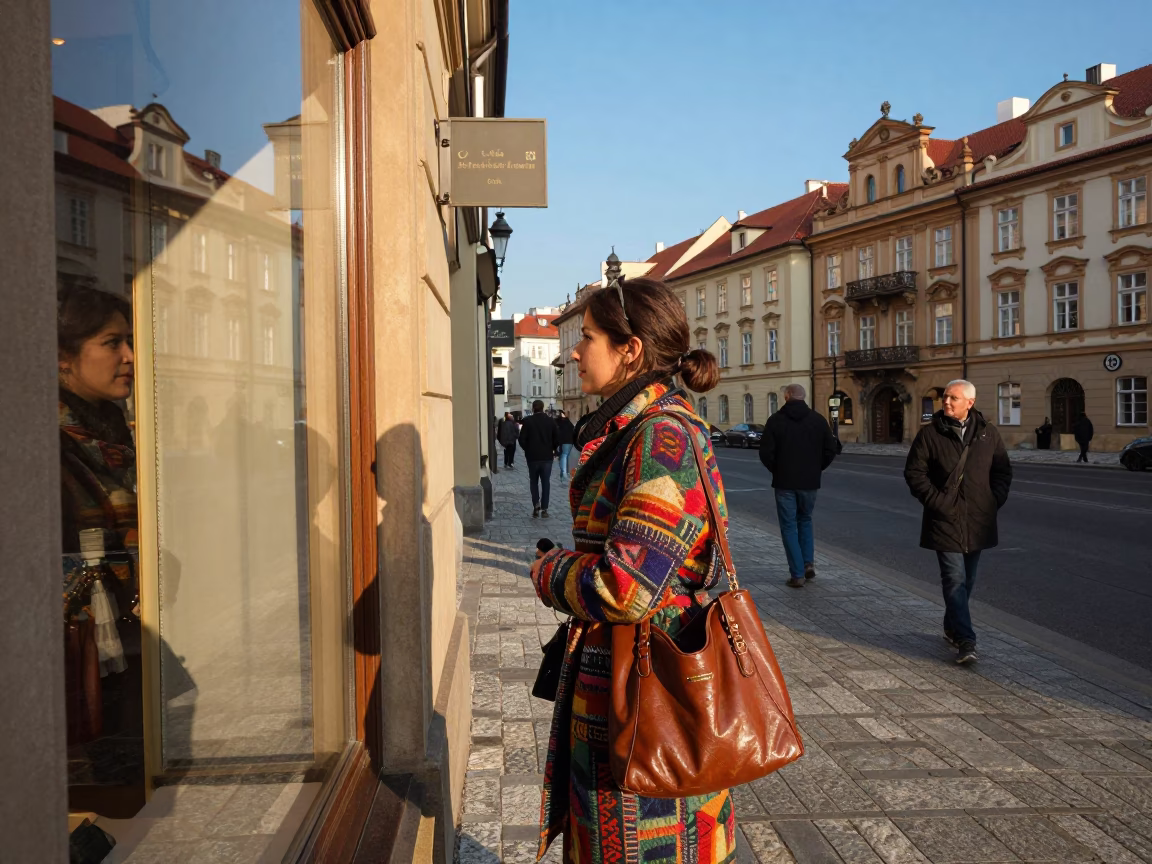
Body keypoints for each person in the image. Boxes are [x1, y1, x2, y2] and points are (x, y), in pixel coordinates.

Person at [530, 276, 736, 863]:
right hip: (623, 686)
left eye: (587, 337)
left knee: (647, 846)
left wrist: (549, 572)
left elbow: (626, 589)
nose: (573, 349)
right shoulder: (632, 428)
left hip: (649, 697)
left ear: (631, 350)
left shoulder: (661, 438)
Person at [57, 283, 145, 805]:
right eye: (112, 342)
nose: (130, 356)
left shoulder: (121, 431)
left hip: (126, 639)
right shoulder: (38, 433)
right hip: (80, 647)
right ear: (63, 357)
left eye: (130, 341)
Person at [904, 380, 1012, 665]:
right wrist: (938, 503)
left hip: (978, 519)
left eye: (953, 398)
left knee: (968, 580)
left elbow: (1003, 471)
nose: (947, 402)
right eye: (945, 397)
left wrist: (993, 501)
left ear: (970, 403)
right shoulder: (930, 435)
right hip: (945, 519)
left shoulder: (988, 433)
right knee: (954, 579)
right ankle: (966, 640)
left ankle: (952, 627)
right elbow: (915, 473)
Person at [758, 383, 838, 587]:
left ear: (786, 397)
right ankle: (808, 563)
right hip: (810, 483)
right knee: (805, 520)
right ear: (804, 397)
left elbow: (765, 453)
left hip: (785, 482)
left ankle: (797, 574)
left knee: (788, 526)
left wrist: (777, 469)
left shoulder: (775, 421)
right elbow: (830, 450)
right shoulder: (818, 420)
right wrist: (816, 469)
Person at [518, 399, 559, 517]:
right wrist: (553, 448)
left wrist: (528, 449)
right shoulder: (550, 421)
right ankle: (545, 508)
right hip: (547, 457)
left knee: (534, 482)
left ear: (533, 408)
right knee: (546, 482)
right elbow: (556, 438)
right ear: (542, 408)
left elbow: (521, 439)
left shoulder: (528, 421)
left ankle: (536, 504)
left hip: (532, 457)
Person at [555, 409, 575, 481]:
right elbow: (572, 430)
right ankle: (564, 473)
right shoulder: (566, 422)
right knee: (565, 456)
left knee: (563, 456)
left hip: (564, 441)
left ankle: (563, 473)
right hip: (567, 441)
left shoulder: (559, 421)